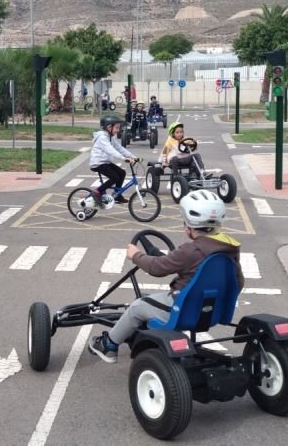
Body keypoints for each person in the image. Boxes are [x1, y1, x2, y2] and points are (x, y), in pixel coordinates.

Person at [89, 189, 244, 363]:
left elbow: (157, 268)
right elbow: (238, 282)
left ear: (188, 226)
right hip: (213, 311)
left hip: (182, 311)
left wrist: (136, 255)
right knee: (150, 300)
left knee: (138, 305)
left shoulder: (190, 250)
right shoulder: (229, 249)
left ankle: (108, 345)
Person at [90, 115, 136, 205]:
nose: (118, 130)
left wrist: (133, 156)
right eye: (117, 128)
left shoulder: (110, 136)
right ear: (109, 127)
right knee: (114, 177)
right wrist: (123, 158)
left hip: (105, 163)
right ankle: (96, 192)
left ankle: (117, 195)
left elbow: (119, 148)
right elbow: (110, 150)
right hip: (98, 163)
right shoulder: (102, 138)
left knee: (122, 173)